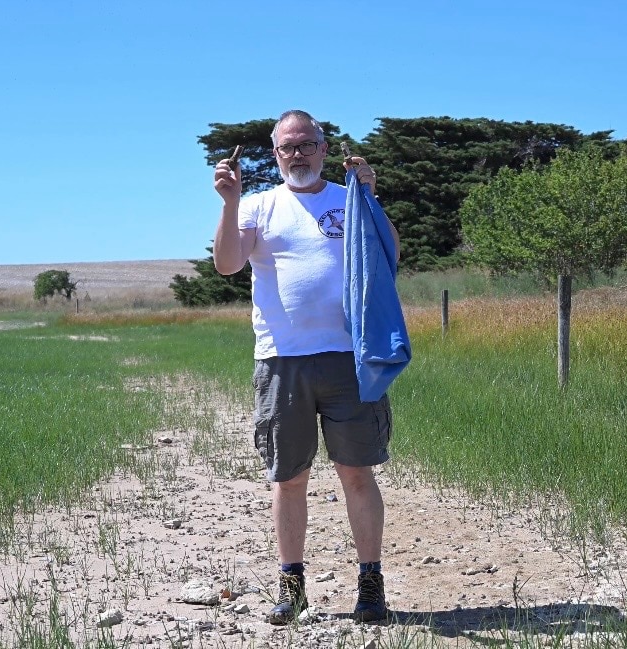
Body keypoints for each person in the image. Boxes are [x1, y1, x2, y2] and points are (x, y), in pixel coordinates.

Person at [211, 109, 397, 624]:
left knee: (356, 473)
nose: (298, 154)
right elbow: (227, 263)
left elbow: (390, 254)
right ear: (276, 155)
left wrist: (370, 197)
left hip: (348, 358)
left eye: (307, 144)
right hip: (281, 361)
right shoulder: (258, 205)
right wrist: (229, 203)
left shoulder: (349, 197)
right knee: (289, 477)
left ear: (323, 148)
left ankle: (371, 586)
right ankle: (291, 587)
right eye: (288, 147)